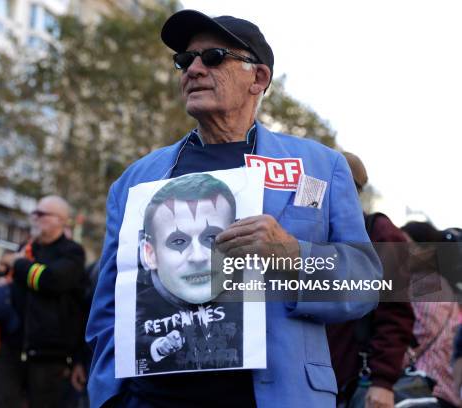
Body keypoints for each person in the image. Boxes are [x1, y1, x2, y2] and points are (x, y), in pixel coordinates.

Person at [86, 9, 382, 407]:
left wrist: (294, 257)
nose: (192, 69)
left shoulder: (320, 167)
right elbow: (109, 304)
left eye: (212, 57)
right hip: (152, 398)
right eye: (183, 60)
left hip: (275, 396)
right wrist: (110, 396)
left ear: (257, 78)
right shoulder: (135, 181)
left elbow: (365, 282)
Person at [327, 152, 415, 408]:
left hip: (359, 381)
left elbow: (396, 313)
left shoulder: (380, 234)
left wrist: (383, 382)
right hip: (320, 381)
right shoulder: (316, 230)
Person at [135, 173, 243, 374]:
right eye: (178, 242)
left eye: (212, 238)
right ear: (150, 254)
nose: (198, 257)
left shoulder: (254, 302)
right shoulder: (137, 312)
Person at [0, 195, 87, 408]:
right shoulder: (26, 248)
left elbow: (50, 280)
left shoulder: (72, 252)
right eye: (34, 213)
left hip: (48, 358)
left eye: (42, 214)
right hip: (11, 350)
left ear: (61, 220)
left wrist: (19, 263)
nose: (34, 218)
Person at [401, 222, 461, 408]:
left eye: (406, 245)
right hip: (443, 389)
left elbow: (420, 336)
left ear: (427, 250)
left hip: (423, 388)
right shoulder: (443, 285)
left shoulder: (426, 284)